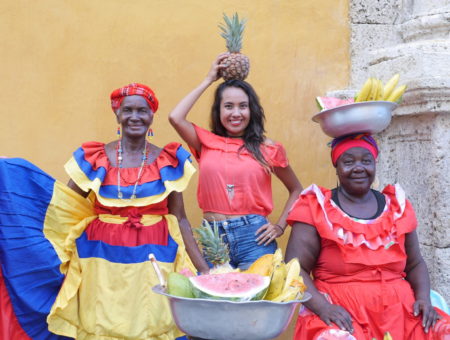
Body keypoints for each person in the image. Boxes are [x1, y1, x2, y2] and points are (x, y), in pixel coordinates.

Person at [0, 83, 209, 340]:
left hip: (156, 257)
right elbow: (65, 207)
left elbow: (181, 220)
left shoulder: (169, 160)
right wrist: (10, 176)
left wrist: (205, 270)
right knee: (101, 323)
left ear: (152, 115)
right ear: (117, 115)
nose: (135, 117)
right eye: (127, 110)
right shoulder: (95, 158)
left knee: (153, 321)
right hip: (99, 259)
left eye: (142, 110)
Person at [285, 133, 450, 340]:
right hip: (340, 315)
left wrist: (424, 298)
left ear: (375, 163)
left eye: (366, 160)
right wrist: (324, 308)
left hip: (402, 314)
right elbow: (294, 269)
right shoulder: (316, 207)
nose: (358, 168)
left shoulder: (397, 207)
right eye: (348, 161)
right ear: (336, 165)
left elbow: (415, 263)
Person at [169, 53, 303, 270]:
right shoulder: (205, 141)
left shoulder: (268, 148)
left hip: (255, 238)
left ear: (252, 110)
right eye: (228, 106)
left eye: (243, 106)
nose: (236, 113)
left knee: (255, 302)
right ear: (219, 110)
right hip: (214, 238)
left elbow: (296, 189)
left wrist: (280, 226)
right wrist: (208, 79)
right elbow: (175, 117)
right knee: (217, 301)